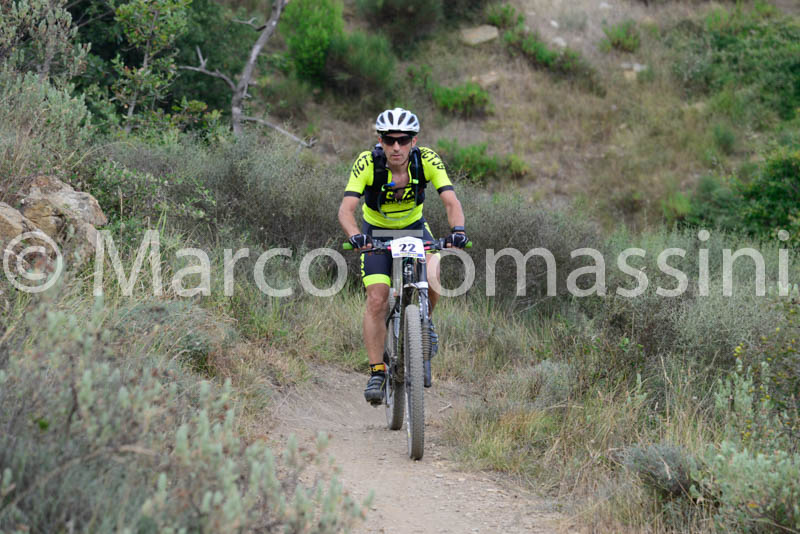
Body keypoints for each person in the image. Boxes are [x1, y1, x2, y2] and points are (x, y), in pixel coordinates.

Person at [337, 107, 469, 405]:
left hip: (414, 229)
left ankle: (424, 324)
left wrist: (458, 230)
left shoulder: (427, 160)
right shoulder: (367, 163)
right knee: (377, 298)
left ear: (414, 141)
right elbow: (346, 210)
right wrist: (356, 236)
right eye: (389, 139)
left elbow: (451, 201)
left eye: (403, 140)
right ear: (380, 141)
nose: (396, 146)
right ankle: (377, 371)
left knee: (433, 275)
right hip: (376, 233)